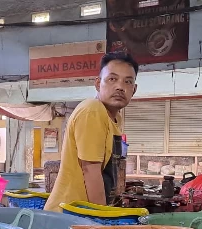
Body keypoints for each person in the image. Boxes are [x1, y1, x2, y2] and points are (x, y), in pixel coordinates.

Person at [44, 52, 138, 212]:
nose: (120, 87)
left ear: (134, 89)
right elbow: (90, 170)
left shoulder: (115, 119)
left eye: (127, 82)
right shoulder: (92, 110)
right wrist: (102, 220)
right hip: (69, 214)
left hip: (83, 212)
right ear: (97, 83)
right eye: (112, 79)